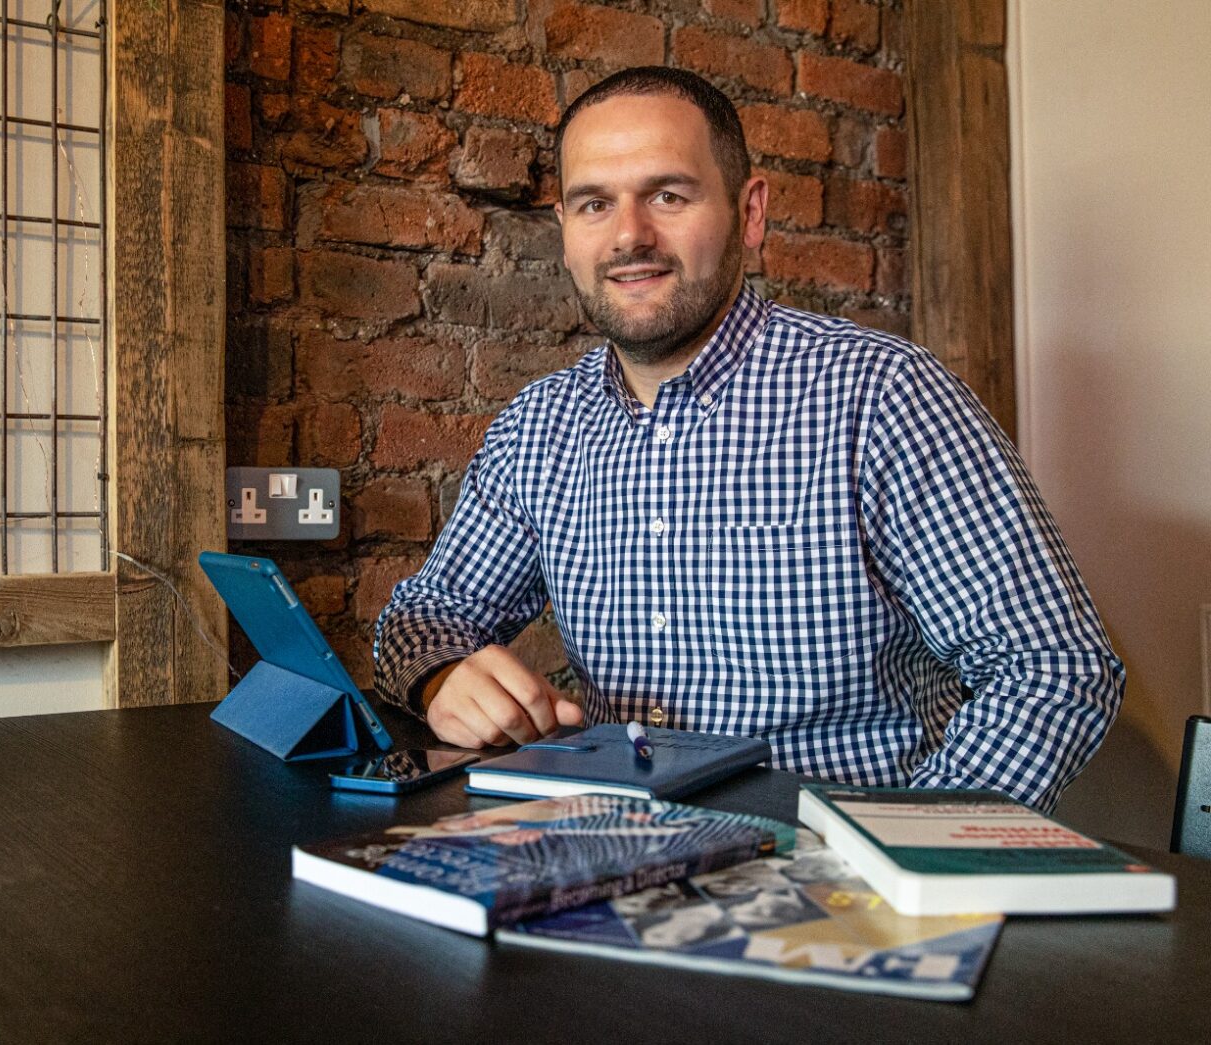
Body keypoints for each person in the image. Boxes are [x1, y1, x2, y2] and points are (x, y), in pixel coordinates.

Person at [372, 66, 1122, 814]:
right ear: (566, 232)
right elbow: (426, 615)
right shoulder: (537, 428)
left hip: (826, 866)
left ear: (750, 212)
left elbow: (1053, 669)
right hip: (609, 853)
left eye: (668, 195)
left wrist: (898, 854)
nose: (629, 235)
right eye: (594, 204)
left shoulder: (882, 396)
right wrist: (441, 679)